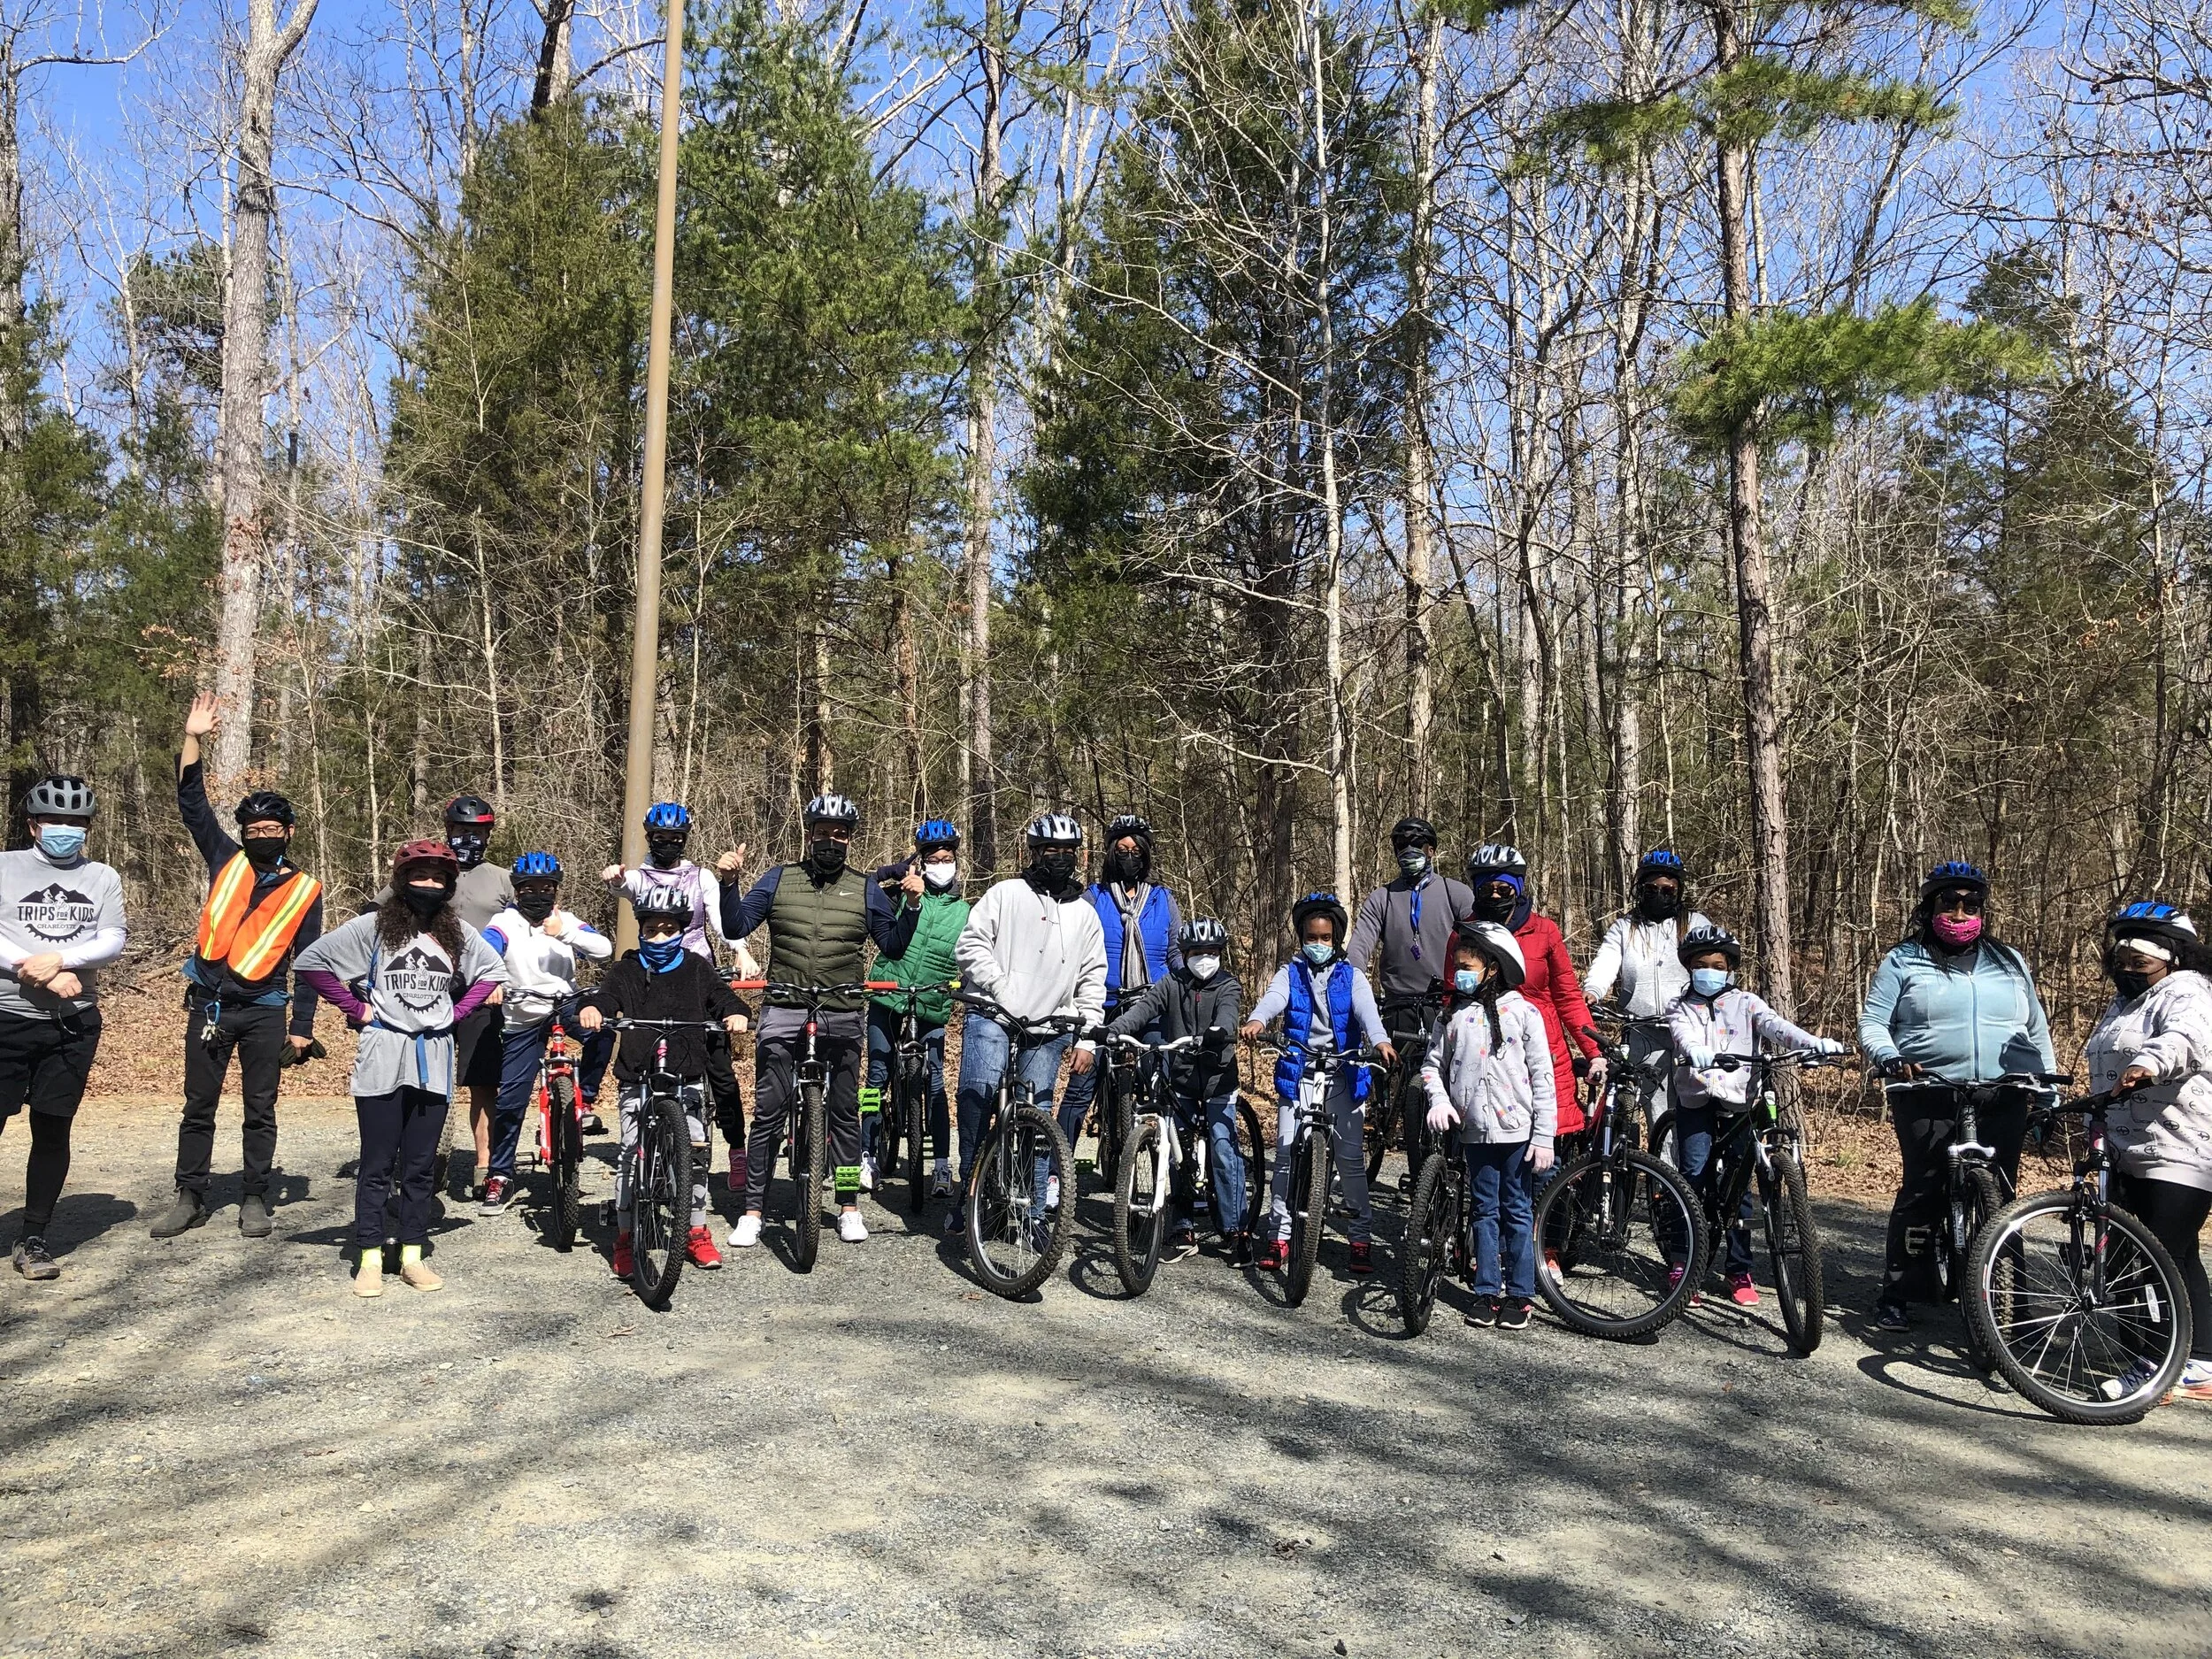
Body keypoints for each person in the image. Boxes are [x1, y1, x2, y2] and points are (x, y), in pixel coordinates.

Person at [296, 841, 507, 1297]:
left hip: (434, 1056)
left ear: (449, 886)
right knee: (376, 1165)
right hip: (382, 1054)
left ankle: (413, 1252)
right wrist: (355, 1007)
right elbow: (311, 961)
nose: (428, 885)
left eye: (438, 878)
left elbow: (492, 971)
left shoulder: (456, 932)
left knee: (419, 1166)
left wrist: (457, 1011)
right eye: (419, 876)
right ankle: (369, 1256)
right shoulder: (373, 927)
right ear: (401, 880)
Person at [1855, 860, 2056, 1332]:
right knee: (1923, 1191)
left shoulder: (2009, 961)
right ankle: (1900, 1292)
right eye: (1950, 901)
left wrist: (2045, 1087)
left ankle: (2009, 1299)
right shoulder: (1903, 959)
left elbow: (2035, 1026)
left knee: (2004, 1199)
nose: (1961, 911)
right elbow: (1873, 1023)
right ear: (1930, 907)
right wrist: (1888, 1057)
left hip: (2002, 1092)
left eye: (1971, 903)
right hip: (1926, 1090)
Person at [153, 690, 324, 1241]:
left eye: (272, 831)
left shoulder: (305, 889)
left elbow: (311, 963)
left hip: (267, 1009)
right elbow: (191, 804)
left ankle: (254, 1196)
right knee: (198, 1105)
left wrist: (301, 1029)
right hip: (210, 1003)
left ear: (289, 832)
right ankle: (190, 1195)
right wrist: (192, 738)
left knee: (260, 1108)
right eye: (253, 831)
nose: (261, 838)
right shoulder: (225, 858)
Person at [716, 794, 920, 1248]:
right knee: (768, 1111)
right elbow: (735, 928)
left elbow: (892, 947)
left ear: (850, 839)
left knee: (846, 1114)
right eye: (823, 833)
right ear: (810, 834)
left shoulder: (865, 887)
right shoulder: (779, 878)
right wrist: (730, 884)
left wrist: (911, 908)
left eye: (840, 835)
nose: (831, 841)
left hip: (842, 1008)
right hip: (785, 1004)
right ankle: (753, 1210)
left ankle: (848, 1206)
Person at [1667, 924, 1846, 1306]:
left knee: (1740, 1187)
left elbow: (1776, 1027)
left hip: (1739, 1100)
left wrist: (1812, 1043)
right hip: (1695, 1096)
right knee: (1693, 1178)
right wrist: (1696, 1050)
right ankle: (1685, 1262)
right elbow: (1683, 1035)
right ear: (1689, 967)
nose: (1710, 970)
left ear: (1730, 967)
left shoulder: (1746, 1002)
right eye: (1701, 964)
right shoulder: (1679, 1006)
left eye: (1718, 964)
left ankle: (1738, 1269)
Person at [949, 813, 1108, 1239]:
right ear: (1032, 853)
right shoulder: (1006, 894)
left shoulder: (1086, 916)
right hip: (992, 1013)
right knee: (978, 1101)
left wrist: (1089, 1036)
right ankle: (972, 1194)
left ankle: (1032, 1210)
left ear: (1079, 857)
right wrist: (1001, 986)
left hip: (1049, 1026)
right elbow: (970, 945)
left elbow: (1094, 980)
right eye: (1049, 851)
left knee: (1035, 1119)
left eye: (1067, 852)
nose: (1058, 859)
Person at [2082, 901, 2212, 1402]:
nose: (2127, 969)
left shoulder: (2187, 990)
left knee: (2155, 1258)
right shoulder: (2124, 1004)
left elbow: (2189, 1037)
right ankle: (2199, 1360)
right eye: (2121, 959)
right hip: (2128, 1147)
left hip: (2181, 1148)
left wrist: (2151, 1062)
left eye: (2140, 960)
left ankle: (2158, 1366)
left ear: (2173, 956)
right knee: (2178, 1258)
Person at [577, 887, 745, 1275]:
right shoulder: (628, 968)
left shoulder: (697, 968)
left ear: (681, 931)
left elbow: (723, 998)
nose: (659, 937)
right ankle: (623, 1237)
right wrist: (593, 1008)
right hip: (639, 1073)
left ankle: (695, 1231)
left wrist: (735, 1013)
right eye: (651, 930)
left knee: (696, 1155)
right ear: (640, 930)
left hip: (686, 1074)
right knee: (629, 1157)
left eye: (668, 930)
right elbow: (608, 996)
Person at [0, 776, 125, 1281]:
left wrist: (60, 958)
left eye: (75, 823)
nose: (65, 830)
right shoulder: (4, 868)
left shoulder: (102, 877)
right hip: (5, 1016)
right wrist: (32, 967)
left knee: (52, 1129)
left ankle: (33, 1236)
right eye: (55, 820)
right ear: (34, 824)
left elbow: (112, 939)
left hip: (71, 1025)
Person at [1239, 892, 1395, 1276]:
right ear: (1302, 938)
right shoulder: (1289, 973)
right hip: (1300, 1070)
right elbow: (1274, 999)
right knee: (1288, 1157)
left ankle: (1360, 1238)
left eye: (1326, 938)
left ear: (1337, 938)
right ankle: (1279, 1237)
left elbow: (1366, 1011)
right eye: (1312, 937)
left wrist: (1379, 1040)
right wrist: (1258, 1021)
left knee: (1350, 1161)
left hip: (1344, 1071)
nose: (1319, 945)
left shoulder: (1352, 975)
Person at [603, 800, 757, 1191]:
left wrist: (740, 950)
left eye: (675, 838)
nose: (667, 843)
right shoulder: (641, 876)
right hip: (654, 979)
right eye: (660, 838)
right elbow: (625, 886)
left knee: (720, 1070)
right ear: (650, 838)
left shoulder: (700, 877)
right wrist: (615, 879)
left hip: (695, 975)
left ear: (684, 839)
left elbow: (720, 920)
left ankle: (736, 1150)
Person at [372, 795, 514, 1197]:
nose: (469, 837)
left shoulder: (503, 879)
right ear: (449, 831)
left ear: (487, 834)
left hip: (481, 991)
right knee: (417, 1076)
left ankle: (484, 1164)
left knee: (483, 1081)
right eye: (461, 831)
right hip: (421, 987)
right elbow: (375, 913)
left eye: (477, 831)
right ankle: (421, 1161)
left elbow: (527, 926)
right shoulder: (430, 872)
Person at [1420, 920, 1555, 1328]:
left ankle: (1520, 1293)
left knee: (1517, 1209)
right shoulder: (1452, 1016)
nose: (1460, 973)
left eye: (1467, 965)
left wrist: (1544, 1133)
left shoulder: (1524, 1013)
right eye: (1457, 965)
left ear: (1492, 968)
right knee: (1483, 1210)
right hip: (1474, 1132)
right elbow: (1431, 1066)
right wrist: (1440, 1101)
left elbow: (1543, 1075)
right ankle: (1485, 1289)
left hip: (1518, 1134)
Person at [477, 852, 613, 1213]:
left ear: (555, 890)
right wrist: (491, 980)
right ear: (518, 892)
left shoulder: (565, 920)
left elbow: (604, 949)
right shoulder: (504, 922)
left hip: (565, 1005)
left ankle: (583, 1099)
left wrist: (565, 932)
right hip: (523, 1014)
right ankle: (500, 1175)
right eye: (530, 889)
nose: (538, 895)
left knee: (603, 1029)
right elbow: (487, 949)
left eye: (546, 888)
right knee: (509, 1102)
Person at [1105, 916, 1247, 1259]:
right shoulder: (1171, 983)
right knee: (1177, 1154)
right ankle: (1182, 1228)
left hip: (1218, 1081)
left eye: (1211, 951)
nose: (1204, 958)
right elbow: (1143, 1010)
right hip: (1181, 1079)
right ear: (1184, 953)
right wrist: (1112, 1029)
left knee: (1223, 1152)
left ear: (1220, 953)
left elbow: (1229, 1015)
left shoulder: (1229, 986)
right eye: (1197, 951)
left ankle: (1236, 1228)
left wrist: (1220, 1032)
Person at [1058, 814, 1184, 1152]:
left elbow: (1175, 952)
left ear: (1145, 855)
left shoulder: (1162, 898)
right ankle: (1053, 1172)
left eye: (1136, 851)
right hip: (1101, 1002)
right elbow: (1073, 948)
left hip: (1151, 1003)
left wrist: (1189, 985)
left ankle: (1175, 1167)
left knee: (1163, 1077)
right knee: (1081, 1085)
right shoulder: (1092, 898)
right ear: (1112, 854)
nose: (1130, 857)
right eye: (1122, 850)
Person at [1465, 844, 1603, 1143]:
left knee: (1545, 1167)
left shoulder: (1545, 932)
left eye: (1504, 888)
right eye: (1487, 889)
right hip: (1485, 1056)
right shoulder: (1463, 934)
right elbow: (1454, 999)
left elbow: (1568, 998)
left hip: (1543, 1055)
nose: (1496, 896)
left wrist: (1594, 1053)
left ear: (1517, 888)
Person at [864, 818, 968, 1198]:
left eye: (948, 858)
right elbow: (864, 887)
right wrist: (896, 873)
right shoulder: (900, 894)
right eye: (934, 858)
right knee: (876, 1076)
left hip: (932, 1000)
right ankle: (866, 1155)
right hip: (887, 994)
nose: (943, 864)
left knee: (937, 1081)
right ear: (921, 861)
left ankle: (941, 1165)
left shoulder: (965, 910)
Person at [1584, 849, 1709, 1027]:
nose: (1659, 895)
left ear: (1679, 892)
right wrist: (1593, 989)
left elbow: (1718, 964)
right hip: (1638, 1029)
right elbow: (1606, 961)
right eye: (1651, 889)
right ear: (1640, 891)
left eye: (1668, 890)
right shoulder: (1624, 928)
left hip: (1691, 1027)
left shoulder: (1696, 924)